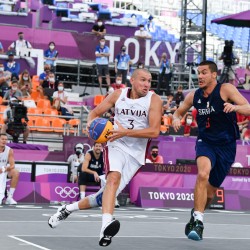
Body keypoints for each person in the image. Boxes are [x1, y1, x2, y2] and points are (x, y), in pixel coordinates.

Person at [48, 68, 162, 247]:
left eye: (149, 81)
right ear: (132, 80)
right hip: (115, 144)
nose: (147, 84)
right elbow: (93, 114)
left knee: (102, 198)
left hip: (136, 155)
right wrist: (90, 127)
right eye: (143, 80)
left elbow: (155, 131)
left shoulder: (154, 100)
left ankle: (67, 209)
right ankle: (105, 227)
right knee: (113, 179)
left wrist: (126, 131)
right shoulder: (118, 95)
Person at [172, 60, 249, 241]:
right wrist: (176, 118)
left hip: (227, 146)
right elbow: (179, 111)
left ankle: (196, 213)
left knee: (210, 193)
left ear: (214, 75)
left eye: (204, 72)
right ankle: (198, 222)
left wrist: (235, 107)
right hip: (206, 142)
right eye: (198, 72)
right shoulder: (194, 96)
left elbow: (248, 108)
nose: (199, 76)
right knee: (203, 174)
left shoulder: (226, 89)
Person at [0, 133, 19, 205]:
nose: (4, 141)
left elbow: (12, 165)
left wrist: (5, 169)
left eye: (5, 139)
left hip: (3, 171)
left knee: (15, 172)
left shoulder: (9, 150)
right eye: (2, 139)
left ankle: (9, 197)